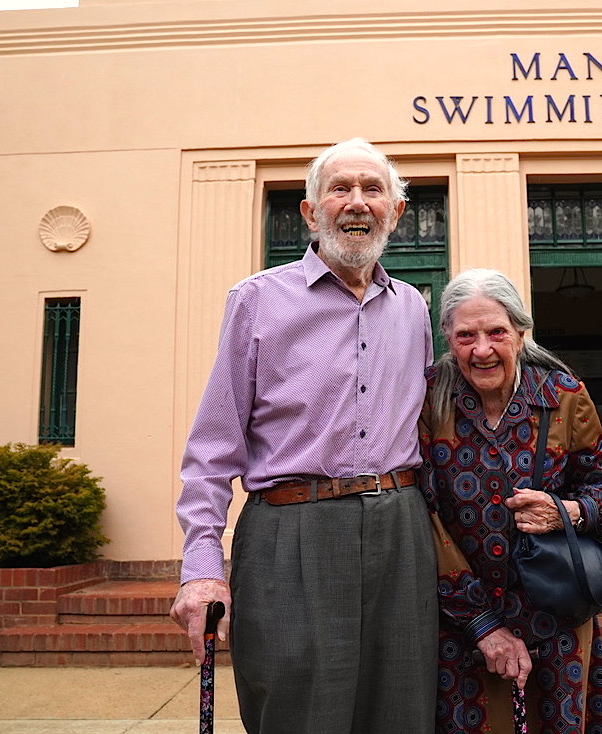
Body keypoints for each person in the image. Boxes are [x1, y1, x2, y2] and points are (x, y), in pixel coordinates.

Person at [171, 138, 438, 734]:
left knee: (404, 712)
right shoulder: (256, 301)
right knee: (296, 712)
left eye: (373, 190)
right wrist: (202, 566)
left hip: (401, 533)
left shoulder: (414, 310)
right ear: (311, 211)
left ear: (395, 212)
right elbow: (213, 450)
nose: (357, 202)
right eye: (340, 188)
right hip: (289, 536)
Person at [419, 268, 602, 734]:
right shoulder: (428, 401)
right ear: (448, 339)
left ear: (519, 331)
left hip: (556, 617)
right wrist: (482, 624)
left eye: (496, 332)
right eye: (465, 336)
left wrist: (567, 512)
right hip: (462, 622)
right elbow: (423, 515)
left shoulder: (564, 397)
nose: (482, 350)